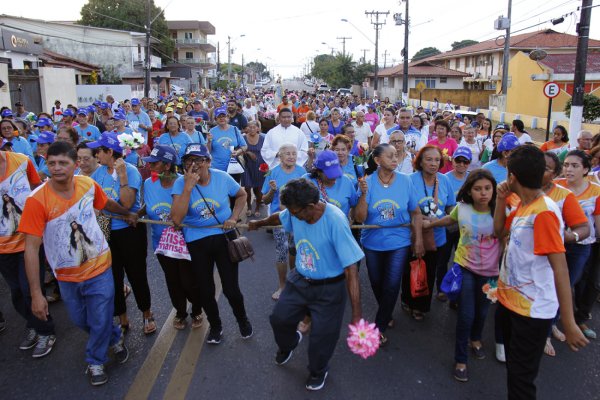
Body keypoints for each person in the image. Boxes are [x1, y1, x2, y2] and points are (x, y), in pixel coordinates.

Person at [20, 141, 134, 385]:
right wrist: (36, 293)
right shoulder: (36, 200)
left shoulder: (88, 184)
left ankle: (95, 361)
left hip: (100, 266)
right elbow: (30, 248)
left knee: (100, 316)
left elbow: (106, 204)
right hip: (67, 276)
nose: (57, 168)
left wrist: (126, 212)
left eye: (63, 163)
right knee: (81, 320)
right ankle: (114, 337)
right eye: (52, 163)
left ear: (75, 165)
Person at [248, 178, 363, 391]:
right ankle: (289, 343)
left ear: (311, 206)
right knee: (279, 319)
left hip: (330, 288)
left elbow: (351, 269)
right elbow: (279, 218)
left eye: (295, 212)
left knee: (321, 339)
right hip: (299, 280)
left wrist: (356, 315)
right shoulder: (295, 212)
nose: (292, 216)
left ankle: (318, 371)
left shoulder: (335, 221)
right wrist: (259, 223)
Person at [494, 145, 589, 400]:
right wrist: (501, 200)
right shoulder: (525, 205)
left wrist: (568, 323)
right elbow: (499, 231)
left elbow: (561, 269)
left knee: (521, 381)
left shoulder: (544, 212)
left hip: (531, 313)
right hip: (511, 303)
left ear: (512, 176)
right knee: (515, 372)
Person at [171, 143, 252, 345]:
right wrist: (188, 188)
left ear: (208, 161)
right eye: (189, 160)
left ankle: (242, 320)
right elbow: (177, 220)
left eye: (198, 160)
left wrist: (234, 217)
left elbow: (242, 194)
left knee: (231, 288)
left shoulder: (222, 177)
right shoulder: (180, 183)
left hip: (224, 236)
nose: (193, 164)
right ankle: (216, 326)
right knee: (205, 289)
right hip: (196, 240)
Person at [426, 169, 500, 382]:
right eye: (477, 189)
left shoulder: (502, 212)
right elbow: (449, 220)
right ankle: (461, 359)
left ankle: (476, 339)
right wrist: (430, 223)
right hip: (465, 269)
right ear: (469, 190)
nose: (483, 193)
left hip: (492, 276)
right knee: (466, 315)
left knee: (483, 311)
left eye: (487, 188)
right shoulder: (463, 208)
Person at [88, 132, 156, 335]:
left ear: (109, 151)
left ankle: (146, 313)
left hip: (130, 231)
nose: (96, 154)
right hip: (107, 230)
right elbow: (94, 204)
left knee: (137, 274)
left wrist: (123, 177)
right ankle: (122, 318)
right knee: (113, 277)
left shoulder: (131, 171)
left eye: (98, 150)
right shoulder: (98, 174)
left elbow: (127, 204)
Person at [354, 144, 423, 343]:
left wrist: (417, 239)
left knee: (392, 283)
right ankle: (387, 312)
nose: (396, 158)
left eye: (397, 156)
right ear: (377, 161)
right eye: (390, 156)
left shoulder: (405, 181)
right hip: (372, 242)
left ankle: (379, 325)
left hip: (399, 241)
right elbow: (359, 217)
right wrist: (364, 194)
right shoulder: (367, 182)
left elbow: (416, 212)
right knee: (377, 281)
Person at [0, 145, 57, 359]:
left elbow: (37, 188)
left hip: (29, 240)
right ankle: (33, 323)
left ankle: (45, 331)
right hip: (2, 247)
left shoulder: (22, 161)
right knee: (16, 293)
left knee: (30, 290)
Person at [139, 145, 204, 330]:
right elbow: (148, 205)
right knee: (172, 280)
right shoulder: (148, 183)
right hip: (161, 243)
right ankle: (180, 312)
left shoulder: (185, 184)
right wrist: (137, 214)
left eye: (155, 163)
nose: (150, 166)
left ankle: (197, 310)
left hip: (185, 242)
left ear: (167, 166)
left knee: (188, 281)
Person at [402, 145, 456, 321]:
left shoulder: (444, 180)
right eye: (429, 159)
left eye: (437, 160)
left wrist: (452, 215)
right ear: (420, 161)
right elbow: (405, 208)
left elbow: (450, 206)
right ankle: (408, 301)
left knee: (429, 272)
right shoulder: (409, 180)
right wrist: (421, 219)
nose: (433, 164)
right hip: (413, 234)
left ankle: (421, 307)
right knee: (411, 270)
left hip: (437, 237)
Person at [554, 150, 600, 339]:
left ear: (586, 169)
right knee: (554, 283)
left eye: (574, 166)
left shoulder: (596, 191)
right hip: (556, 244)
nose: (569, 169)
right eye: (566, 165)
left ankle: (570, 320)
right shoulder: (556, 185)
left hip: (581, 245)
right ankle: (550, 326)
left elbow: (597, 223)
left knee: (571, 283)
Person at [262, 144, 306, 300]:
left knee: (296, 251)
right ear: (280, 156)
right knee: (281, 252)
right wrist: (272, 190)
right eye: (287, 154)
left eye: (294, 153)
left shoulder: (302, 172)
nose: (291, 156)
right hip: (279, 218)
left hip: (298, 218)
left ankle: (295, 283)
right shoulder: (273, 173)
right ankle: (282, 286)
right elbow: (265, 200)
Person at [304, 150, 357, 217]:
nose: (334, 176)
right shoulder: (307, 181)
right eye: (330, 174)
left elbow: (354, 205)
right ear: (318, 172)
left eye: (336, 172)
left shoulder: (346, 181)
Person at [208, 106, 247, 182]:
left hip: (233, 168)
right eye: (219, 117)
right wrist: (209, 142)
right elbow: (208, 151)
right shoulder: (212, 131)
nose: (222, 118)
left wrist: (238, 152)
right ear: (216, 119)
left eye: (224, 116)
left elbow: (244, 146)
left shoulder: (235, 129)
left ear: (228, 118)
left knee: (234, 192)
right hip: (217, 168)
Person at [241, 121, 266, 217]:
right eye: (249, 127)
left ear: (258, 129)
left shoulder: (263, 138)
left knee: (258, 188)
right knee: (247, 187)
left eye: (254, 127)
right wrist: (247, 152)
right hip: (246, 164)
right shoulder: (243, 138)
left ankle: (257, 208)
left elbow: (266, 151)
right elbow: (238, 149)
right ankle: (249, 207)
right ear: (247, 128)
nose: (251, 129)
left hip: (260, 165)